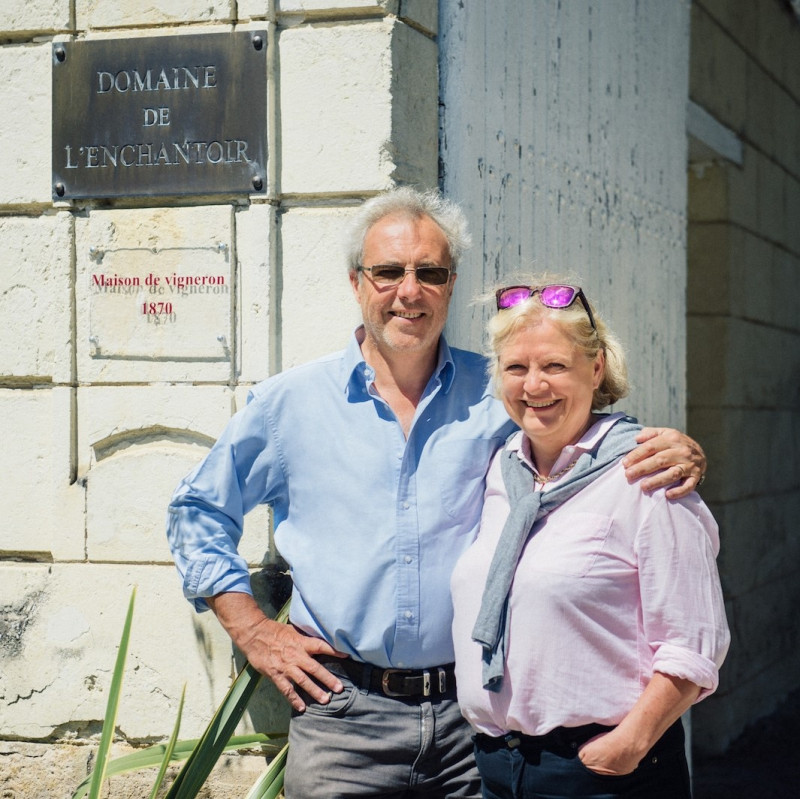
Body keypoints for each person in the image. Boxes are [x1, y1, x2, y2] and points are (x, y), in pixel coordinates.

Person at [166, 188, 707, 799]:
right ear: (356, 282)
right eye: (389, 271)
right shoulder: (289, 405)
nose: (409, 290)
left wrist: (672, 447)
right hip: (344, 718)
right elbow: (197, 511)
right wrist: (255, 632)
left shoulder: (499, 392)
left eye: (430, 272)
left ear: (450, 284)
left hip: (474, 727)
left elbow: (578, 428)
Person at [450, 278, 730, 799]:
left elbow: (693, 644)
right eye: (516, 368)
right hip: (495, 768)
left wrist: (626, 745)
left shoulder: (646, 475)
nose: (534, 386)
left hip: (599, 774)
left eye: (555, 365)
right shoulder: (500, 469)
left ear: (596, 367)